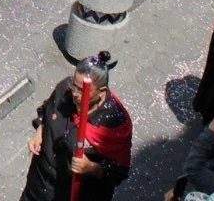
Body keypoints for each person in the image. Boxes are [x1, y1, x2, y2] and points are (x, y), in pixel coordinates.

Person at [22, 52, 133, 201]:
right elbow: (47, 109)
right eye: (74, 85)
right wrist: (40, 131)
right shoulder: (64, 90)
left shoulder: (113, 123)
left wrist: (92, 168)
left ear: (102, 92)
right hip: (39, 185)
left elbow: (119, 172)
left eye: (82, 90)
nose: (74, 93)